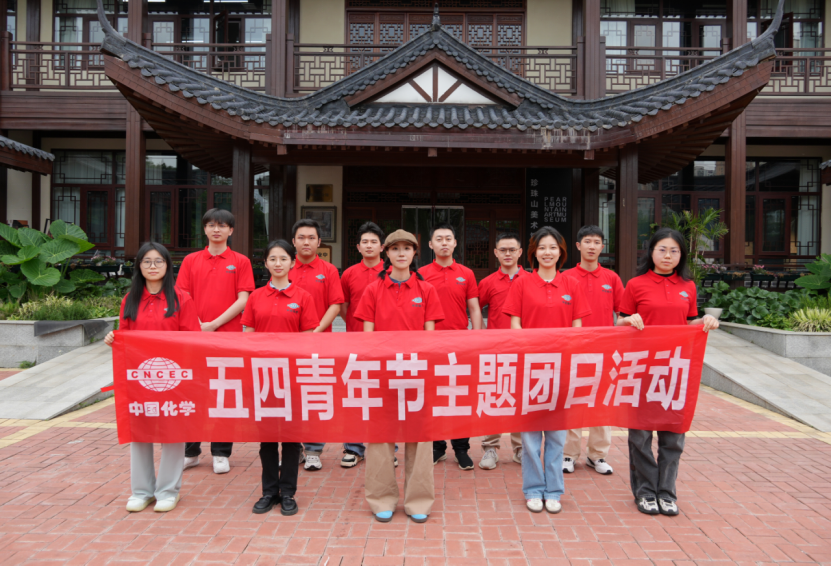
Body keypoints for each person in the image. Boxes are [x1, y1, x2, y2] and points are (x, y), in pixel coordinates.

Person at [617, 227, 719, 517]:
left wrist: (706, 320)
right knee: (640, 436)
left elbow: (689, 323)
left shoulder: (688, 286)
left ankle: (667, 492)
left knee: (673, 435)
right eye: (662, 249)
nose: (667, 255)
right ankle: (645, 491)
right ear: (651, 252)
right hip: (641, 369)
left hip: (675, 369)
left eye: (674, 251)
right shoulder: (635, 284)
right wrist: (629, 321)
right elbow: (619, 323)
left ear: (681, 255)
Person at [354, 229, 445, 524]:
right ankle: (381, 498)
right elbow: (367, 338)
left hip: (417, 373)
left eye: (407, 248)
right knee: (380, 437)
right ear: (387, 253)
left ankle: (418, 500)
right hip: (382, 374)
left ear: (415, 253)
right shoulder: (373, 290)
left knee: (420, 438)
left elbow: (430, 338)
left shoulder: (426, 290)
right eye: (395, 248)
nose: (401, 253)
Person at [104, 242, 201, 513]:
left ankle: (168, 491)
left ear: (168, 266)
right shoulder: (130, 299)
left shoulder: (181, 299)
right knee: (140, 431)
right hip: (139, 379)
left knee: (173, 433)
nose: (153, 266)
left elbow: (193, 340)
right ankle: (142, 491)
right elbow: (125, 337)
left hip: (174, 378)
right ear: (139, 266)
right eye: (147, 261)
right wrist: (113, 338)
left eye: (158, 261)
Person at [502, 227, 591, 515]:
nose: (547, 252)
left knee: (556, 436)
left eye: (553, 247)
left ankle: (553, 490)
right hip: (530, 369)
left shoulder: (572, 284)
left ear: (561, 252)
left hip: (562, 370)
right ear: (533, 252)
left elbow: (577, 328)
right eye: (542, 248)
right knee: (529, 437)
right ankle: (532, 489)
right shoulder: (522, 283)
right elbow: (515, 325)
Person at [242, 240, 319, 516]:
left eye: (283, 258)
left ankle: (288, 492)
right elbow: (248, 337)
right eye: (272, 259)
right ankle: (268, 491)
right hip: (263, 376)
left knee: (290, 438)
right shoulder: (255, 297)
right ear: (265, 263)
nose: (278, 263)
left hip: (292, 377)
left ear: (292, 263)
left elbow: (308, 341)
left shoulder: (303, 297)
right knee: (266, 439)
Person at [178, 209, 255, 475]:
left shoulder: (240, 261)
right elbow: (182, 296)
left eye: (222, 225)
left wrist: (213, 324)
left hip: (227, 339)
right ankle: (190, 452)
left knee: (224, 395)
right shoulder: (190, 260)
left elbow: (244, 299)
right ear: (204, 229)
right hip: (194, 337)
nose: (216, 230)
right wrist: (198, 324)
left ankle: (221, 452)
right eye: (211, 225)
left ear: (231, 230)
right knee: (193, 392)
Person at [560, 225, 624, 476]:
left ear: (602, 246)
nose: (592, 246)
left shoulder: (612, 278)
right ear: (578, 246)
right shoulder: (565, 277)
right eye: (587, 241)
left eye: (597, 242)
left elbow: (622, 314)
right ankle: (568, 453)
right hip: (573, 349)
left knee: (601, 402)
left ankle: (597, 455)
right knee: (573, 401)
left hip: (604, 350)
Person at [418, 223, 483, 471]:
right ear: (430, 244)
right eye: (439, 239)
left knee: (460, 397)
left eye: (448, 238)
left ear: (455, 243)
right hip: (431, 343)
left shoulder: (466, 273)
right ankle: (437, 446)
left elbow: (474, 308)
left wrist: (476, 337)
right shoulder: (421, 273)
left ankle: (461, 448)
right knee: (433, 396)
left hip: (460, 344)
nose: (444, 243)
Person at [289, 218, 345, 471]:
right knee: (291, 398)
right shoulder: (285, 266)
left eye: (311, 237)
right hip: (288, 345)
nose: (306, 242)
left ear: (319, 242)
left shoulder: (329, 270)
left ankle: (313, 450)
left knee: (315, 396)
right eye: (301, 237)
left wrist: (316, 331)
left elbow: (336, 304)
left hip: (319, 343)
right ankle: (293, 449)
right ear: (293, 241)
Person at [337, 221, 387, 469]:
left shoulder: (391, 271)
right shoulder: (348, 274)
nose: (369, 246)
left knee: (385, 398)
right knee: (355, 396)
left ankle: (388, 448)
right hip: (356, 342)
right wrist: (354, 326)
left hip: (385, 343)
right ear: (358, 247)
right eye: (364, 242)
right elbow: (343, 306)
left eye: (373, 242)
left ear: (382, 246)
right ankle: (353, 448)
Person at [477, 233, 527, 470]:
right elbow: (475, 308)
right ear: (495, 253)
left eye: (512, 249)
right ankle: (490, 447)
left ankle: (520, 448)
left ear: (520, 252)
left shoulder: (531, 280)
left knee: (520, 399)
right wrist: (483, 334)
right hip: (495, 350)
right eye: (503, 250)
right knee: (494, 398)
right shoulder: (488, 282)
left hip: (524, 349)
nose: (508, 254)